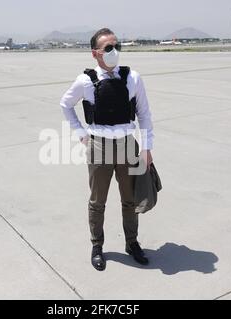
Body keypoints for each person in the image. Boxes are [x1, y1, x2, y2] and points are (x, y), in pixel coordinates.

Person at [60, 28, 154, 271]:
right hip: (99, 146)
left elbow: (144, 113)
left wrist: (147, 147)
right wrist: (81, 134)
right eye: (108, 48)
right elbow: (65, 104)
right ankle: (97, 245)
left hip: (128, 145)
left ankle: (131, 243)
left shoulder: (133, 77)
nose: (114, 51)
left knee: (130, 199)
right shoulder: (85, 81)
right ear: (95, 53)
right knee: (97, 201)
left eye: (117, 46)